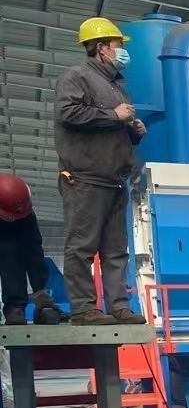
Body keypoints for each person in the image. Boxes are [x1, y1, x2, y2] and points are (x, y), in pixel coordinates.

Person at [55, 17, 148, 327]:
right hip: (85, 178)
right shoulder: (76, 77)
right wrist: (113, 114)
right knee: (81, 247)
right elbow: (68, 113)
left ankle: (119, 307)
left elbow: (115, 127)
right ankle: (83, 309)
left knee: (116, 250)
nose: (122, 51)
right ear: (101, 47)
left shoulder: (118, 88)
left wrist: (134, 131)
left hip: (115, 179)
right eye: (118, 45)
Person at [0, 175, 61, 325]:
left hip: (9, 244)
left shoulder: (25, 216)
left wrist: (40, 290)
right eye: (10, 217)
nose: (14, 219)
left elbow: (34, 251)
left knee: (12, 253)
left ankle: (15, 307)